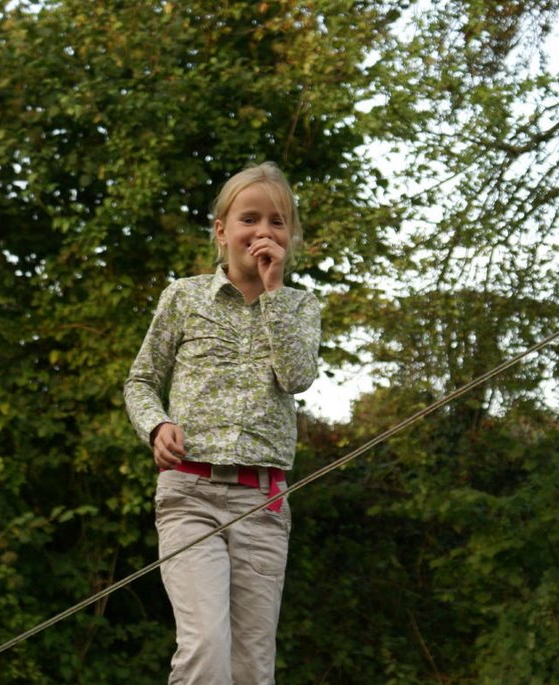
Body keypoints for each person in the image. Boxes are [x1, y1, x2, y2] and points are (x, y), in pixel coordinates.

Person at [124, 161, 320, 684]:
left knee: (252, 667)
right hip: (190, 496)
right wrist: (156, 426)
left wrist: (273, 293)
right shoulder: (184, 297)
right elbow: (141, 381)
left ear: (291, 236)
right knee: (207, 649)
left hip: (263, 503)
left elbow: (297, 377)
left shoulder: (300, 306)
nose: (262, 231)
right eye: (249, 219)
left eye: (277, 222)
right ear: (221, 230)